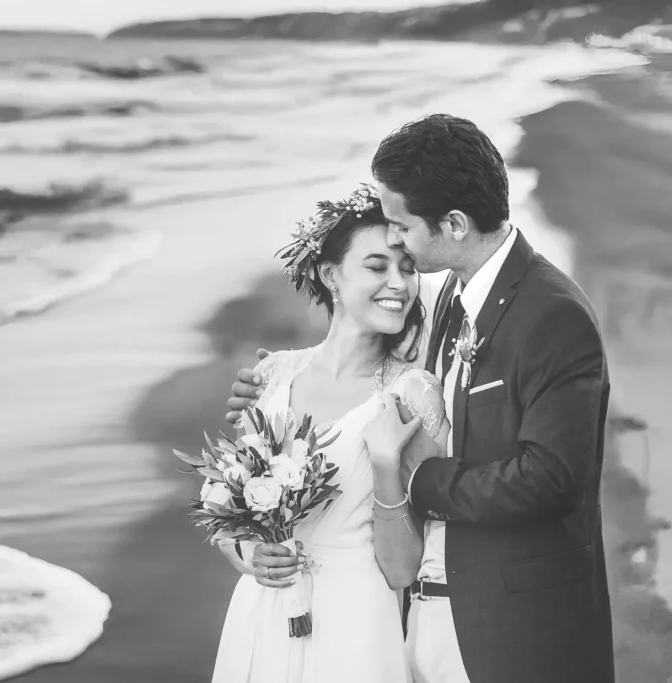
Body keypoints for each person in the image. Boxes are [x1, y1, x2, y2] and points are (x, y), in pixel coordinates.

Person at [227, 114, 614, 683]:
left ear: (454, 223)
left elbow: (552, 478)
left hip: (512, 623)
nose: (398, 248)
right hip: (419, 618)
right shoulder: (452, 297)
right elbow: (366, 315)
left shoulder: (552, 314)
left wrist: (415, 478)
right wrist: (274, 383)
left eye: (403, 230)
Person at [211, 185, 446, 683]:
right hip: (265, 612)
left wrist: (384, 465)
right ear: (329, 274)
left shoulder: (414, 394)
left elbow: (404, 570)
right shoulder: (273, 375)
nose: (399, 283)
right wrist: (249, 557)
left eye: (407, 268)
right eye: (377, 266)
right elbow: (224, 504)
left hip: (356, 625)